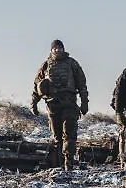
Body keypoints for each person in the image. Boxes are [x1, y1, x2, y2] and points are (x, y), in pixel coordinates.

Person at [30, 39, 89, 170]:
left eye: (59, 48)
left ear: (63, 49)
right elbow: (37, 86)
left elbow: (82, 84)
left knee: (69, 132)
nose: (57, 50)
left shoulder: (72, 63)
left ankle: (69, 161)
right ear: (51, 50)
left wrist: (84, 102)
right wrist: (34, 103)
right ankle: (58, 161)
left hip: (69, 102)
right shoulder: (46, 65)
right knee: (56, 135)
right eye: (55, 48)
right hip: (52, 103)